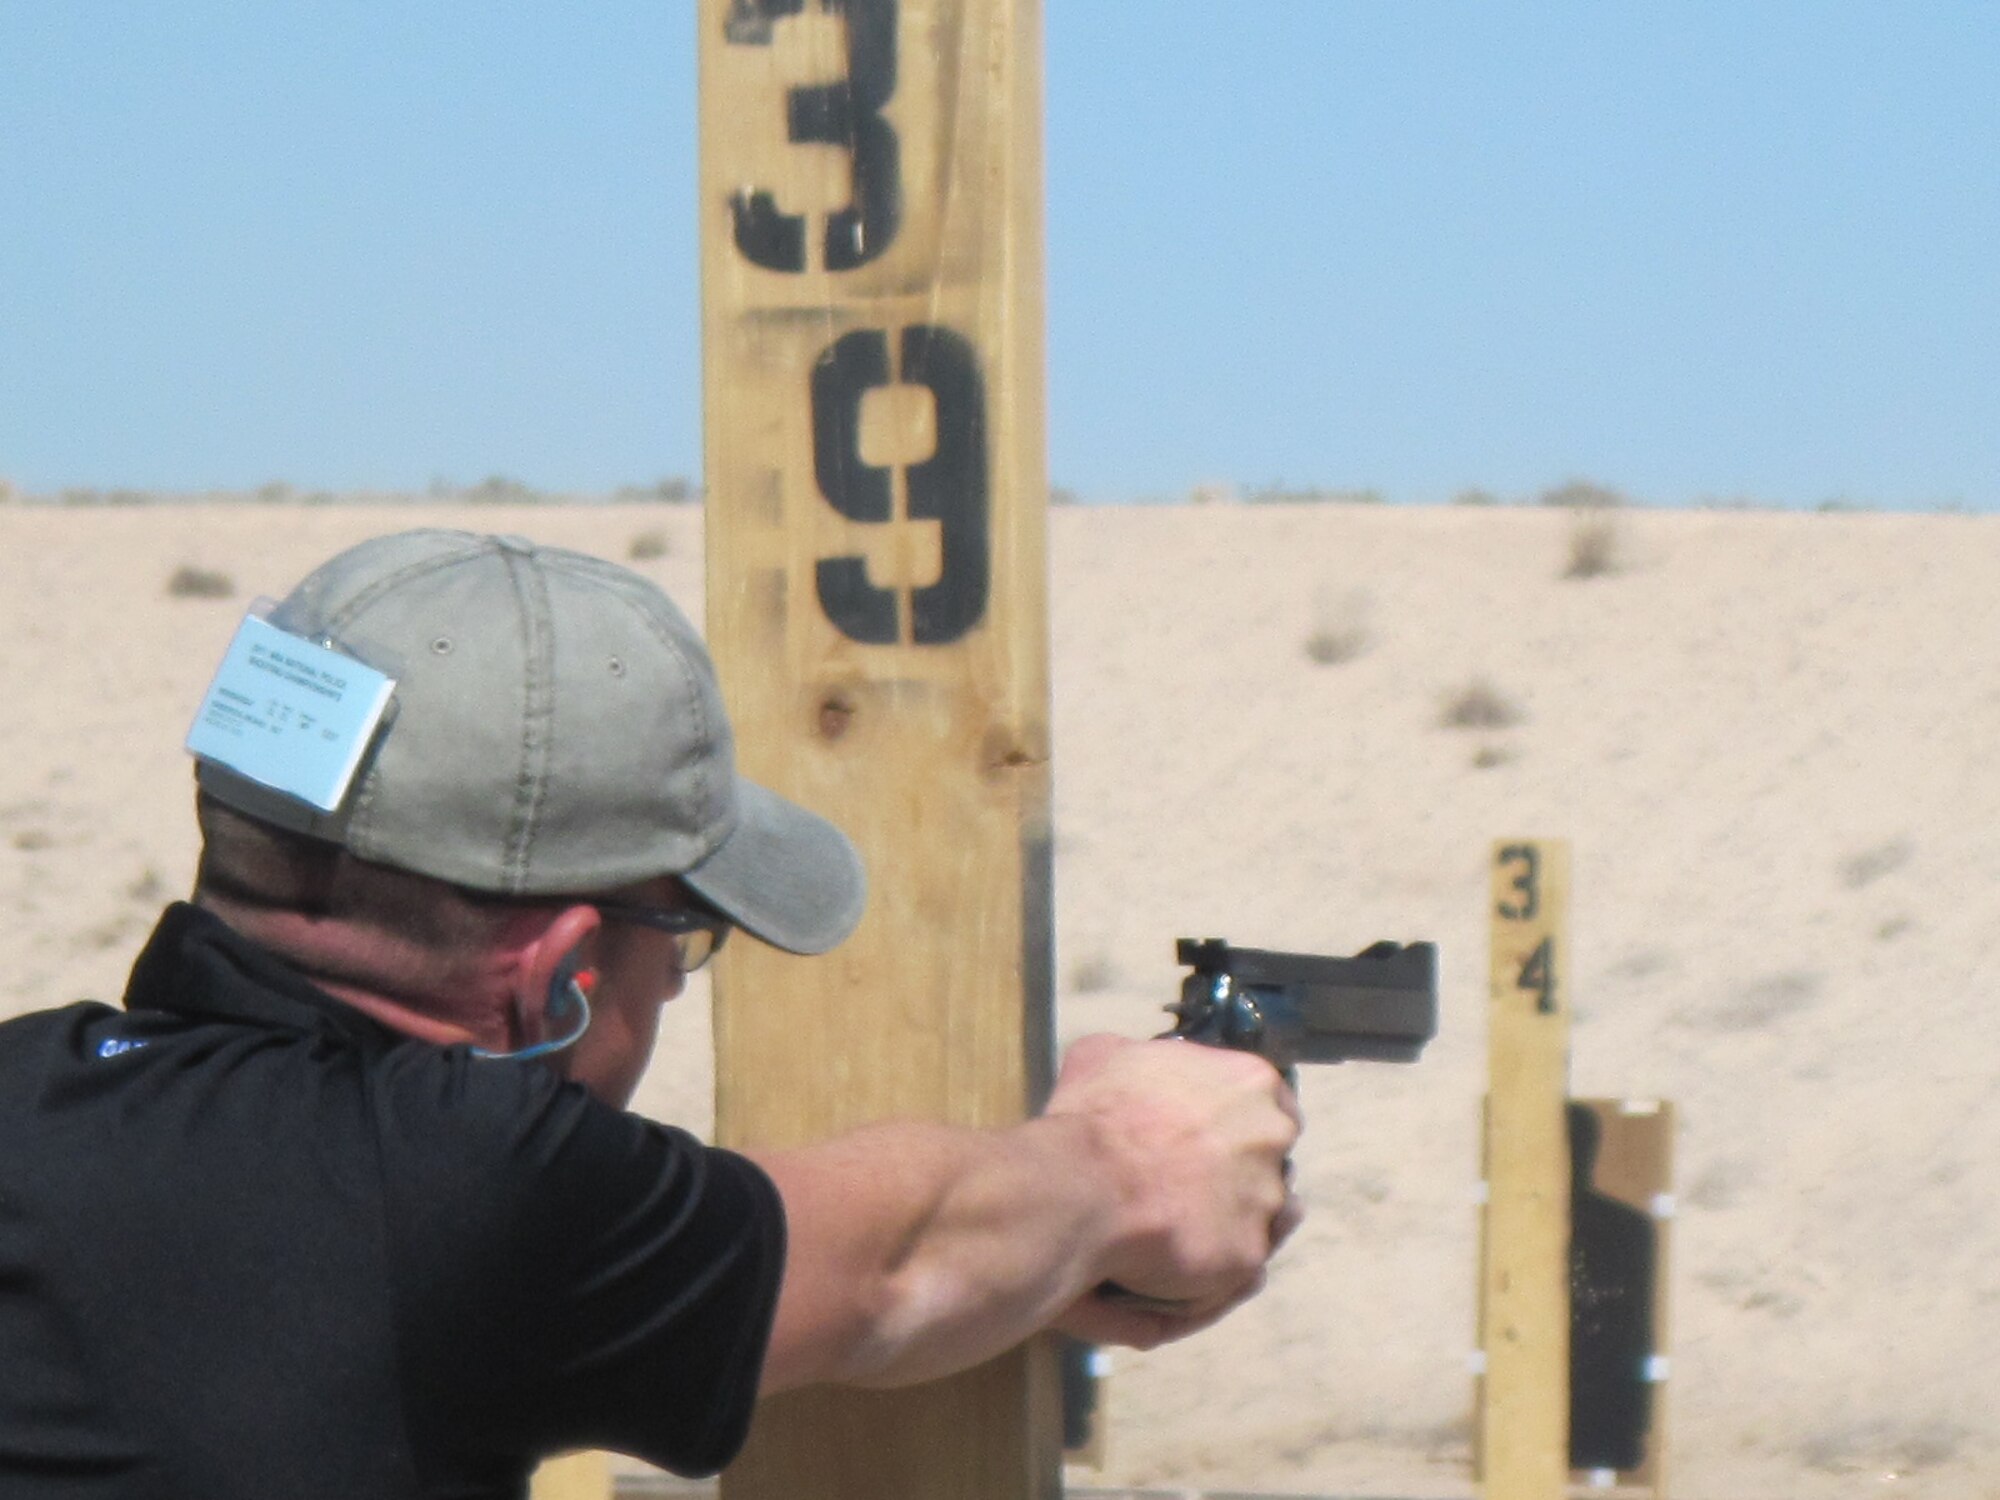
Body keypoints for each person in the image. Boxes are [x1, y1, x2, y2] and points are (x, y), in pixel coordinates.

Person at [0, 529, 1301, 1498]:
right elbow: (896, 1266)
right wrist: (1131, 1161)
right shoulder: (457, 1188)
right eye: (682, 943)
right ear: (561, 976)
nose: (675, 983)